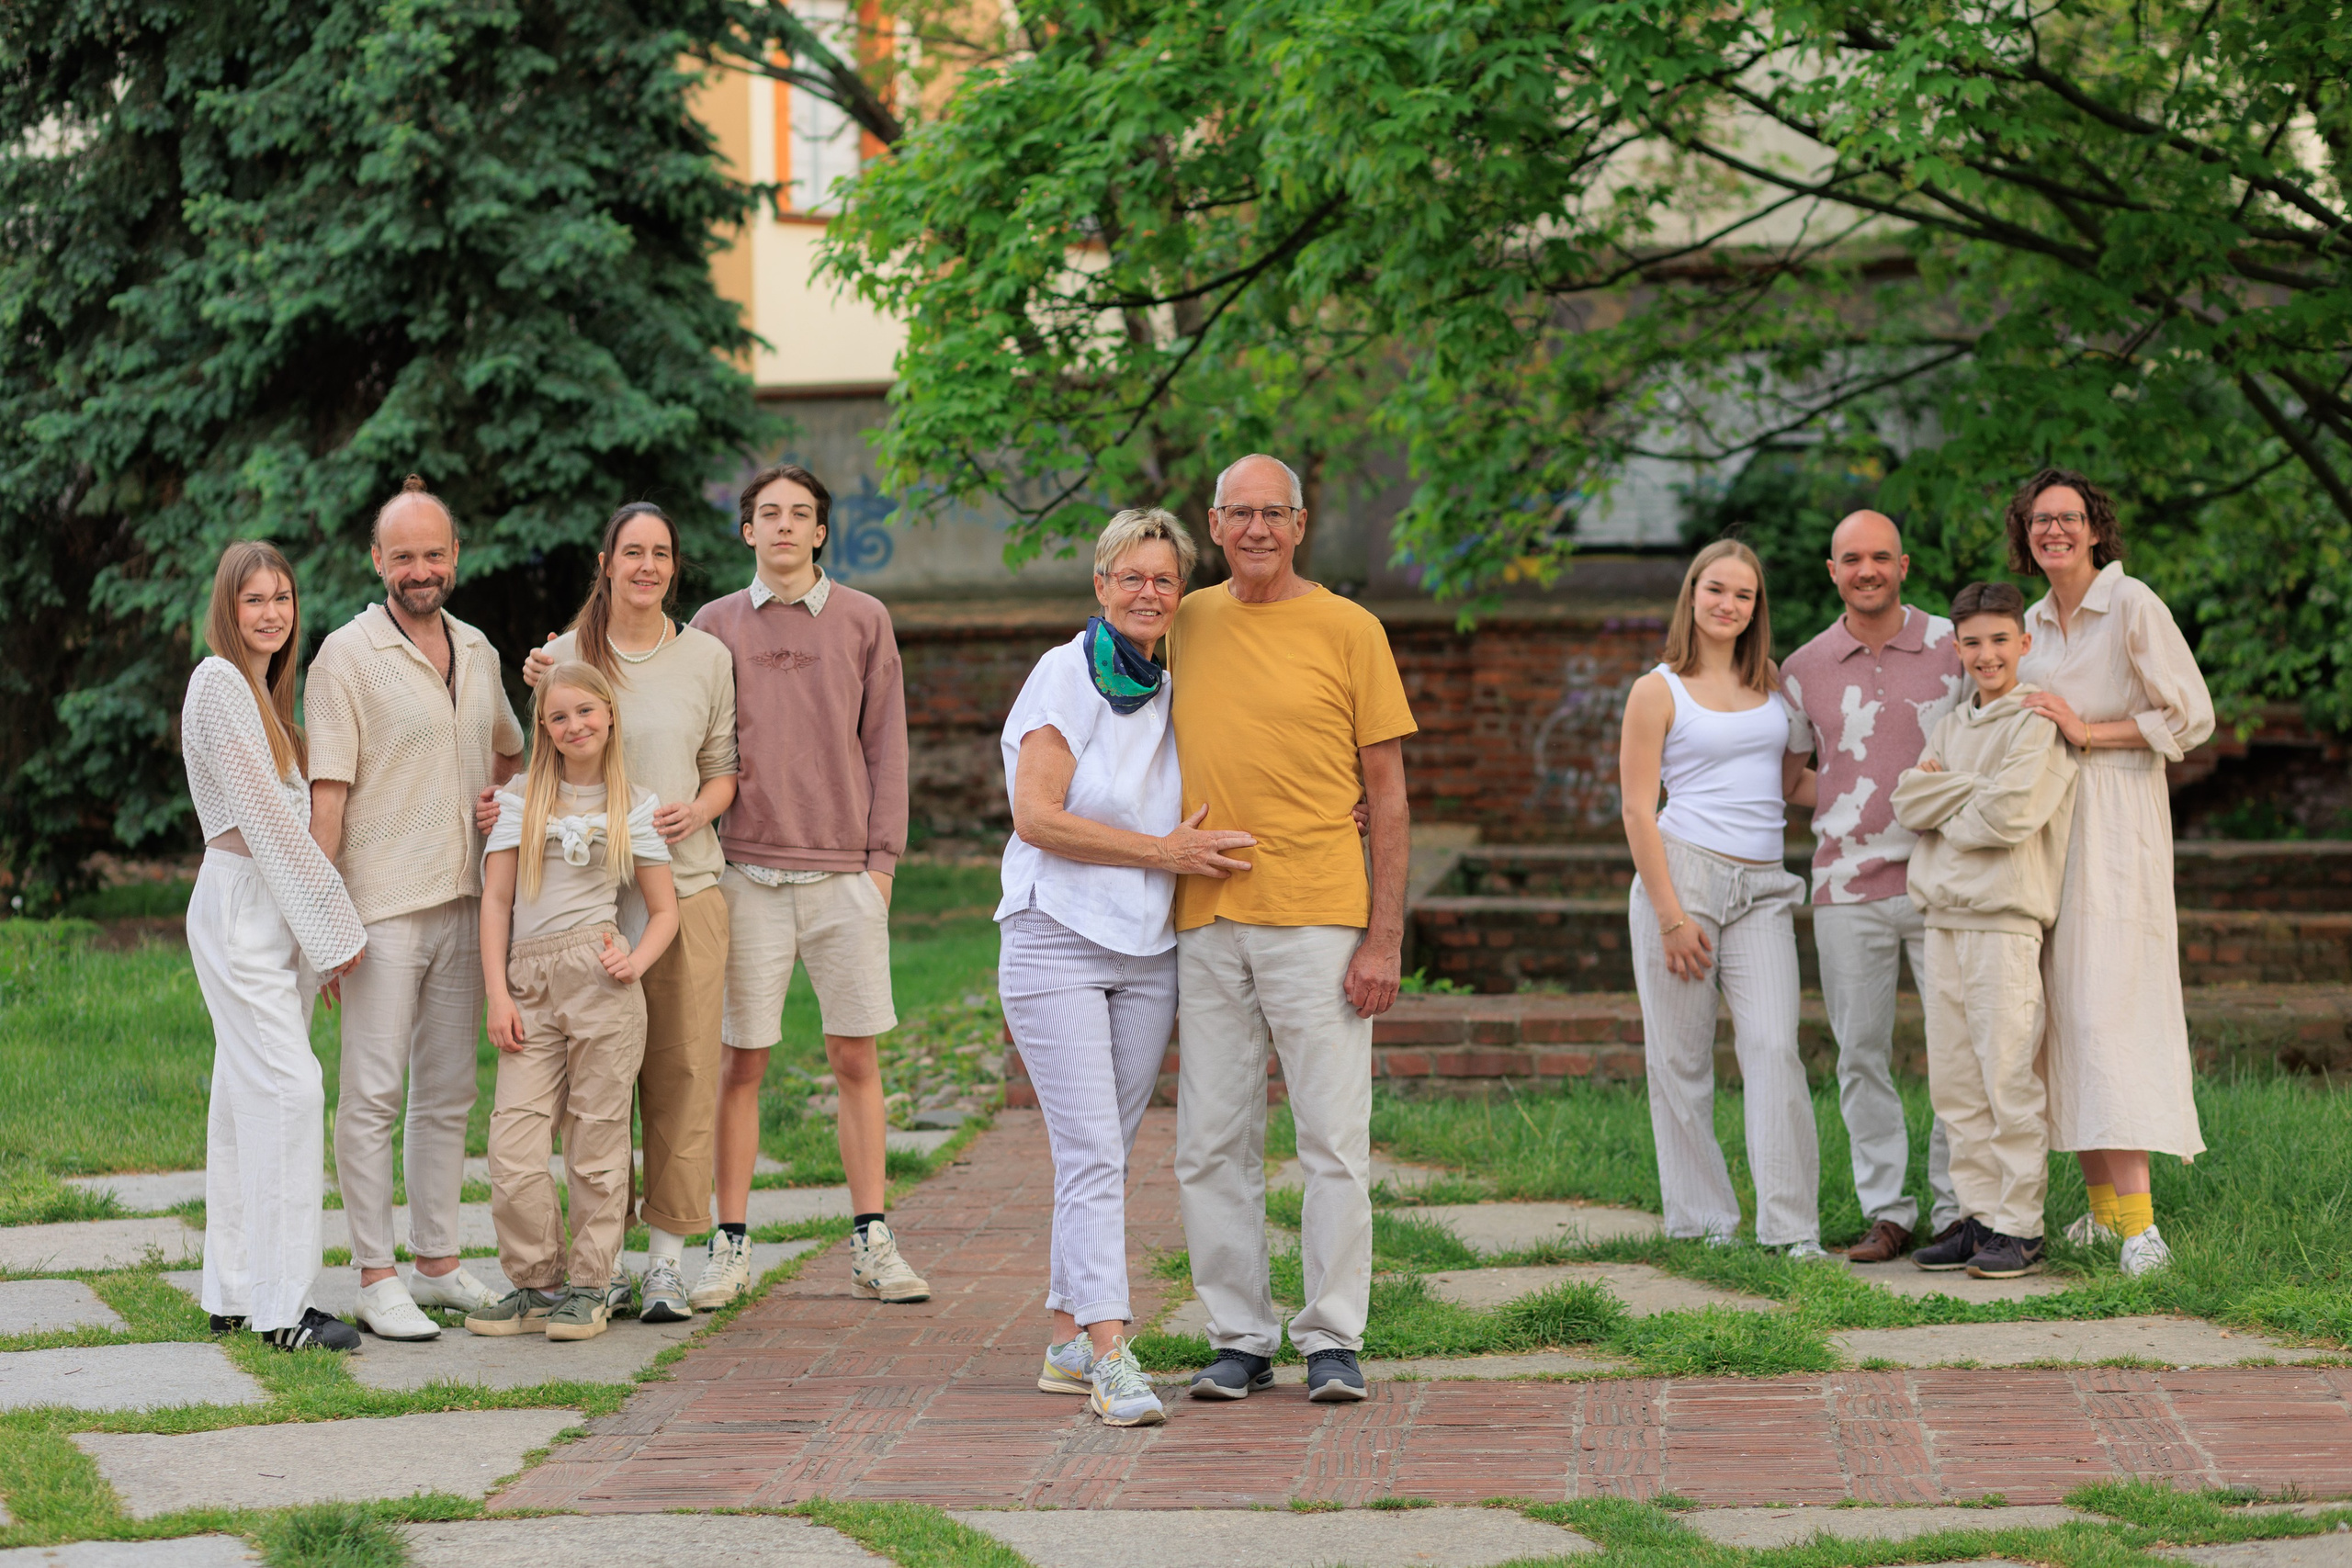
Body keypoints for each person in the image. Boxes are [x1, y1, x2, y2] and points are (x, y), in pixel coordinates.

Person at [1001, 508, 1258, 1428]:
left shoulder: (1177, 683)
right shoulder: (1063, 676)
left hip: (1147, 949)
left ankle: (1068, 1338)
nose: (1149, 593)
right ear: (1101, 586)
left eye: (1165, 580)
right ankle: (1112, 1354)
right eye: (1132, 577)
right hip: (1056, 937)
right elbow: (1036, 816)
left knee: (1100, 1156)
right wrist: (1159, 854)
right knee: (1093, 1154)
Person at [1170, 453, 1416, 1406]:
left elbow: (1387, 794)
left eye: (1274, 513)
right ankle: (1237, 1335)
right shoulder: (1185, 619)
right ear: (1214, 522)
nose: (1257, 530)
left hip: (1318, 916)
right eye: (1240, 514)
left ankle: (1331, 1338)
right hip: (1208, 916)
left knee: (1332, 1143)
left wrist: (1383, 938)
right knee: (1210, 1142)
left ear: (1301, 523)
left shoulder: (1351, 629)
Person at [689, 463, 926, 1308]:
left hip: (845, 879)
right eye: (767, 513)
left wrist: (881, 867)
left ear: (822, 531)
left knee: (855, 1055)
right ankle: (730, 1242)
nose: (784, 526)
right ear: (747, 530)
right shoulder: (714, 625)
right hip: (745, 873)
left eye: (801, 514)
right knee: (740, 1058)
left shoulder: (866, 619)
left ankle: (872, 1239)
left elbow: (886, 748)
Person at [500, 502, 738, 1325]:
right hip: (577, 912)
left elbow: (724, 770)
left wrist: (698, 812)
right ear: (605, 562)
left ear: (675, 567)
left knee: (678, 1081)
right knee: (584, 1101)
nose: (646, 565)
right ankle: (570, 1270)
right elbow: (538, 768)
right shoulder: (562, 657)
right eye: (631, 552)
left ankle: (666, 1262)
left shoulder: (707, 655)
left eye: (660, 554)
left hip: (683, 892)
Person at [307, 475, 525, 1340]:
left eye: (434, 553)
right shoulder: (344, 657)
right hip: (380, 911)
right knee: (372, 1090)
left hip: (468, 902)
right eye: (404, 556)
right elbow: (328, 800)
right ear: (377, 561)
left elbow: (511, 753)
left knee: (447, 1091)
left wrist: (496, 801)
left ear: (456, 557)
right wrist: (323, 925)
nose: (421, 568)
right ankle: (375, 1271)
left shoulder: (476, 649)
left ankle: (436, 1261)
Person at [2010, 468, 2214, 1277]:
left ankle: (2143, 1230)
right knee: (2060, 1020)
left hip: (2116, 833)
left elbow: (2191, 716)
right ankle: (2100, 1214)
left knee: (2108, 1018)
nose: (2052, 529)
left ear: (2097, 528)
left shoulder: (2133, 605)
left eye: (2067, 517)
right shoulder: (2027, 623)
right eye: (2038, 519)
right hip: (2044, 835)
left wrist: (2087, 729)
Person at [182, 541, 368, 1353]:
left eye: (283, 597)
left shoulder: (263, 697)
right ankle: (285, 1307)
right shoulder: (218, 682)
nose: (271, 612)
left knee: (244, 1095)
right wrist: (332, 934)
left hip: (270, 910)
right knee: (292, 1090)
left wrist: (309, 936)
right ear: (229, 608)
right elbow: (266, 825)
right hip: (242, 905)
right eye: (254, 599)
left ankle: (233, 1289)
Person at [1618, 539, 1824, 1257]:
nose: (1728, 604)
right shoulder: (1657, 689)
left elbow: (1797, 783)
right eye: (1716, 590)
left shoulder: (1770, 680)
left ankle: (1792, 1231)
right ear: (1692, 594)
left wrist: (1880, 795)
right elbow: (1639, 812)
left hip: (1764, 886)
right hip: (1684, 879)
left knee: (1774, 1047)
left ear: (1755, 606)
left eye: (1743, 594)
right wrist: (1671, 916)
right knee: (1680, 1060)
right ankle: (1703, 1223)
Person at [468, 661, 680, 1341]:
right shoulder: (521, 798)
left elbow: (664, 911)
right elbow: (497, 900)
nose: (574, 725)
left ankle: (592, 1283)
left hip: (601, 981)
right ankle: (536, 1281)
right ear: (545, 728)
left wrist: (635, 958)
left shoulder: (633, 804)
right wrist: (498, 992)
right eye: (559, 717)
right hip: (528, 984)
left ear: (609, 715)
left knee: (597, 1137)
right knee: (515, 1143)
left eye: (586, 711)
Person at [1780, 511, 1965, 1263]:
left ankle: (1960, 1210)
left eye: (1880, 557)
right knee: (1861, 1053)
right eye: (1852, 558)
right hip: (1847, 884)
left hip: (1948, 879)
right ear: (1832, 570)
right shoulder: (1804, 667)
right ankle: (1888, 1211)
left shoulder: (1958, 645)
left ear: (1904, 564)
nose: (1867, 570)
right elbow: (1790, 773)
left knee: (1959, 1050)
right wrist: (1850, 799)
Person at [1892, 581, 2078, 1280]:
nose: (1986, 653)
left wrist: (1950, 793)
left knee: (2007, 1076)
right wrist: (1972, 784)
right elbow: (1907, 802)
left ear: (2023, 642)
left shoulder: (2037, 721)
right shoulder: (1950, 725)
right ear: (1957, 646)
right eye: (1972, 641)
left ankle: (2019, 1226)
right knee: (1957, 1083)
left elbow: (2010, 817)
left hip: (2003, 920)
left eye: (2000, 638)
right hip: (1942, 918)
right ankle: (1975, 1217)